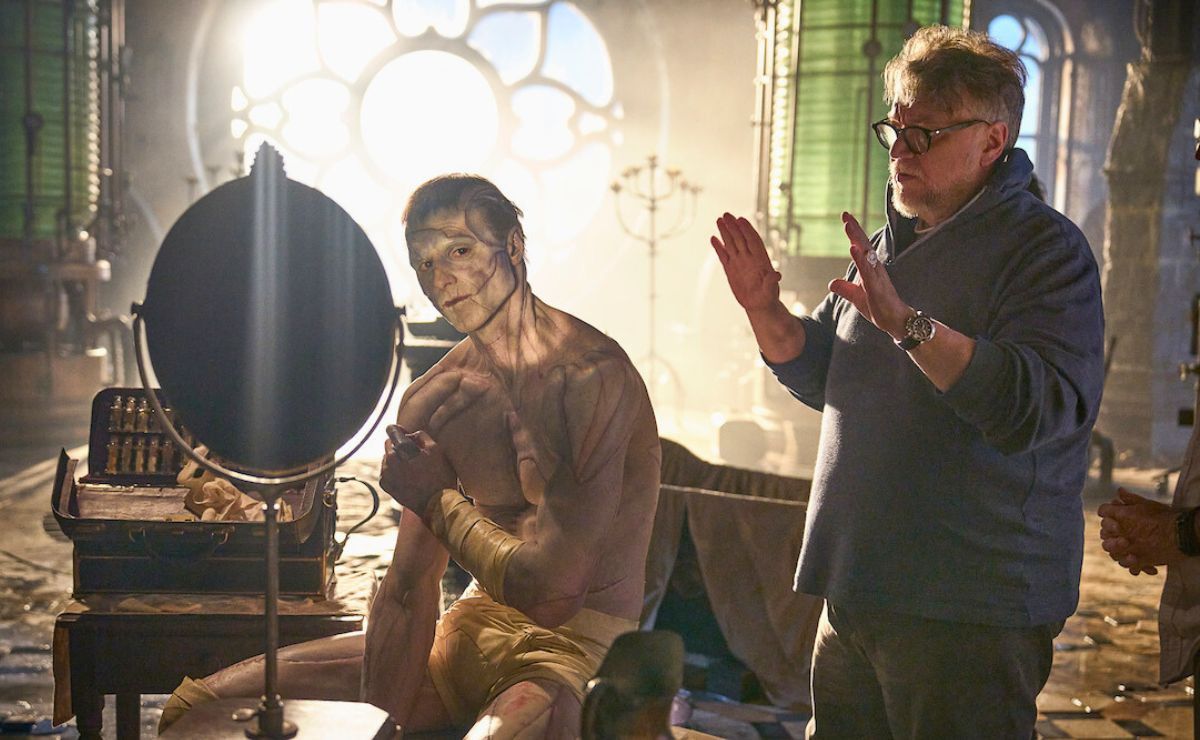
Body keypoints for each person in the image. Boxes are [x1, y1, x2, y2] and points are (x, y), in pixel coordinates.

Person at [160, 175, 662, 738]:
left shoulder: (590, 379)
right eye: (424, 263)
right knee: (194, 710)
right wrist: (379, 729)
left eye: (460, 251)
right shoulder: (436, 399)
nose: (441, 278)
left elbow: (554, 594)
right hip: (464, 636)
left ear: (514, 245)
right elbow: (407, 590)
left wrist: (438, 500)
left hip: (570, 654)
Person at [709, 25, 1104, 738]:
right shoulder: (888, 244)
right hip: (858, 584)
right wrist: (765, 310)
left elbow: (1034, 407)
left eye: (924, 134)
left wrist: (909, 326)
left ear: (992, 140)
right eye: (895, 129)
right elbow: (825, 372)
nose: (899, 150)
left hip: (968, 603)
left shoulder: (1045, 250)